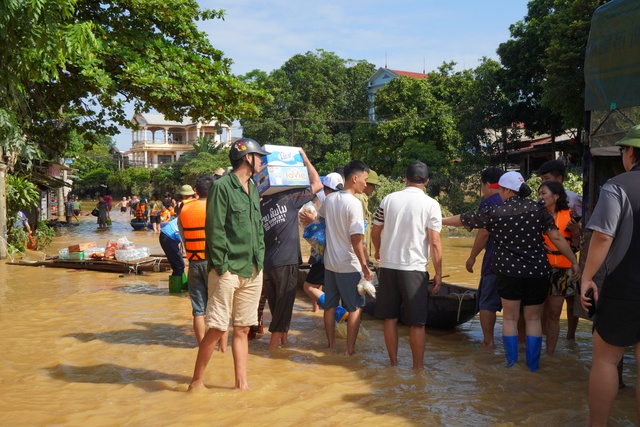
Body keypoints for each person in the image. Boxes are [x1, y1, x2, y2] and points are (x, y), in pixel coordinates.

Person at [442, 171, 579, 372]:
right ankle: (533, 366)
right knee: (533, 319)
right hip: (537, 272)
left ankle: (512, 364)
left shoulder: (497, 211)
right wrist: (574, 261)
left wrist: (438, 220)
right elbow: (557, 238)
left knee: (510, 318)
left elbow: (465, 219)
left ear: (506, 190)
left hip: (509, 273)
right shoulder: (537, 209)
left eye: (501, 190)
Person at [188, 138, 269, 391]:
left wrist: (261, 261)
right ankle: (196, 382)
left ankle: (241, 384)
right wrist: (222, 269)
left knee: (243, 328)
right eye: (260, 157)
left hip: (253, 269)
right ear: (248, 158)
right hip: (228, 270)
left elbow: (257, 228)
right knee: (216, 328)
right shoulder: (222, 187)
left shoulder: (254, 188)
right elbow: (215, 230)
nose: (262, 162)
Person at [580, 125, 640, 426]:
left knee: (605, 360)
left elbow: (602, 237)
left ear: (630, 153)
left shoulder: (617, 186)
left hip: (622, 287)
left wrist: (587, 277)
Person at [371, 160, 443, 370]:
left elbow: (376, 231)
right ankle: (418, 369)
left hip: (389, 267)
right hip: (415, 269)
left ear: (406, 179)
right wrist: (438, 273)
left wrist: (378, 250)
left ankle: (393, 364)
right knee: (417, 323)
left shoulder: (388, 200)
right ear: (427, 182)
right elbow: (435, 242)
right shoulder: (431, 204)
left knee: (390, 318)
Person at [259, 149, 323, 350]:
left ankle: (283, 344)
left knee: (277, 307)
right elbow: (318, 184)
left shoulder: (261, 205)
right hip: (285, 262)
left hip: (267, 265)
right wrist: (305, 158)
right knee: (284, 309)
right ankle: (273, 351)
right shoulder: (290, 197)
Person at [318, 159, 374, 356]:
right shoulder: (354, 204)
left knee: (330, 306)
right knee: (356, 308)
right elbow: (356, 239)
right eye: (365, 180)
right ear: (355, 178)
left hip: (330, 263)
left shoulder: (330, 199)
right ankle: (350, 351)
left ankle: (331, 346)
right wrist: (365, 267)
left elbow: (321, 217)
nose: (366, 184)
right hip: (348, 265)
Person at [179, 175, 228, 349]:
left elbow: (184, 239)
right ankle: (222, 348)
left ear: (196, 191)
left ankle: (203, 348)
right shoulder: (217, 207)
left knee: (198, 310)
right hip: (213, 263)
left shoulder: (183, 209)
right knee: (221, 308)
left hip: (193, 263)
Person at [537, 159, 582, 339]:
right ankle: (541, 343)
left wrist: (574, 260)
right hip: (545, 265)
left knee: (568, 302)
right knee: (542, 309)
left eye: (547, 179)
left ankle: (570, 338)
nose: (541, 193)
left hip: (566, 263)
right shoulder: (539, 207)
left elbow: (578, 241)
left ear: (559, 179)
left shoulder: (575, 203)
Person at [465, 167, 504, 349]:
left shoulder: (488, 203)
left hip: (494, 262)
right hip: (519, 263)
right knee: (515, 306)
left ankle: (488, 342)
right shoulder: (514, 199)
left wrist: (472, 257)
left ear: (488, 185)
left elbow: (483, 233)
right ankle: (519, 342)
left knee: (487, 303)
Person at [300, 173, 344, 312]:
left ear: (326, 189)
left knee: (309, 287)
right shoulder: (350, 201)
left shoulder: (328, 202)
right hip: (345, 255)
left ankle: (336, 310)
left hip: (327, 254)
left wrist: (312, 221)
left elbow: (322, 226)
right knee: (335, 289)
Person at [354, 169, 378, 258]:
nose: (374, 189)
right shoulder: (359, 199)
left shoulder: (363, 199)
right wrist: (363, 253)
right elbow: (359, 229)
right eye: (373, 185)